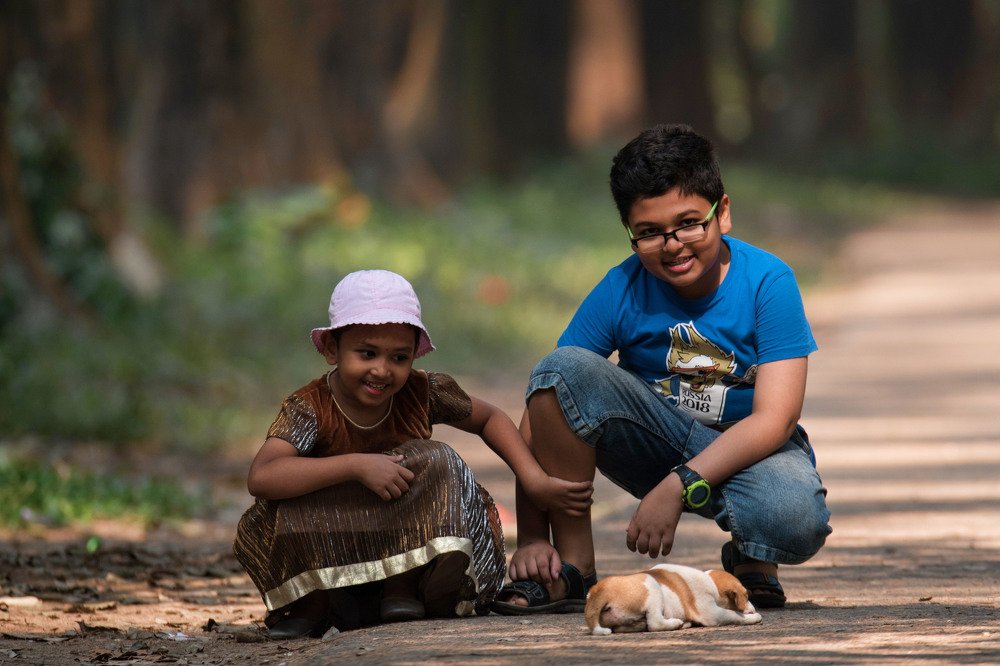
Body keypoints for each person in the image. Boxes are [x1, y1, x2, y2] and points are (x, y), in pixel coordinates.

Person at [491, 124, 832, 616]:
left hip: (750, 451)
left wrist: (676, 487)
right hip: (657, 439)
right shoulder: (621, 288)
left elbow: (775, 419)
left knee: (794, 516)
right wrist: (529, 538)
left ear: (724, 213)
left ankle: (752, 560)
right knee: (561, 366)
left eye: (689, 222)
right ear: (630, 234)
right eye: (649, 232)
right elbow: (551, 396)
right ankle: (570, 567)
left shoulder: (768, 281)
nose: (672, 245)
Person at [234, 269, 592, 638]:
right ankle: (313, 602)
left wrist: (533, 480)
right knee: (285, 497)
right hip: (337, 544)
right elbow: (262, 477)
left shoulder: (421, 392)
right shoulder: (311, 407)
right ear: (331, 350)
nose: (382, 370)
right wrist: (355, 466)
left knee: (437, 459)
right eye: (367, 353)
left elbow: (489, 418)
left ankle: (402, 586)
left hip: (408, 547)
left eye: (399, 357)